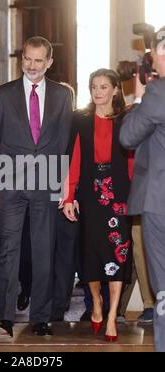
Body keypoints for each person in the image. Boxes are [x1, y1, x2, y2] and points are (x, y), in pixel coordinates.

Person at [0, 36, 73, 337]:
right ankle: (5, 318)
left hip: (46, 182)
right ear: (21, 59)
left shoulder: (63, 95)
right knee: (8, 251)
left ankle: (41, 317)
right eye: (28, 59)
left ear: (49, 62)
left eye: (39, 60)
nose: (32, 66)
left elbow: (63, 142)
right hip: (9, 183)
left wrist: (63, 182)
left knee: (44, 250)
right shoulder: (2, 94)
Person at [63, 68, 133, 342]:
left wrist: (135, 196)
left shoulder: (127, 119)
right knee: (90, 254)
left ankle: (112, 315)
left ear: (115, 89)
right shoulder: (80, 120)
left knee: (118, 254)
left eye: (104, 86)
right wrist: (69, 197)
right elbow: (74, 161)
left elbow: (132, 161)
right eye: (94, 86)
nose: (98, 91)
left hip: (120, 195)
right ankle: (96, 302)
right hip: (91, 197)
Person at [120, 27, 165, 352]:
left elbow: (127, 137)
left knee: (163, 289)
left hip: (159, 202)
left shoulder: (158, 92)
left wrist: (137, 96)